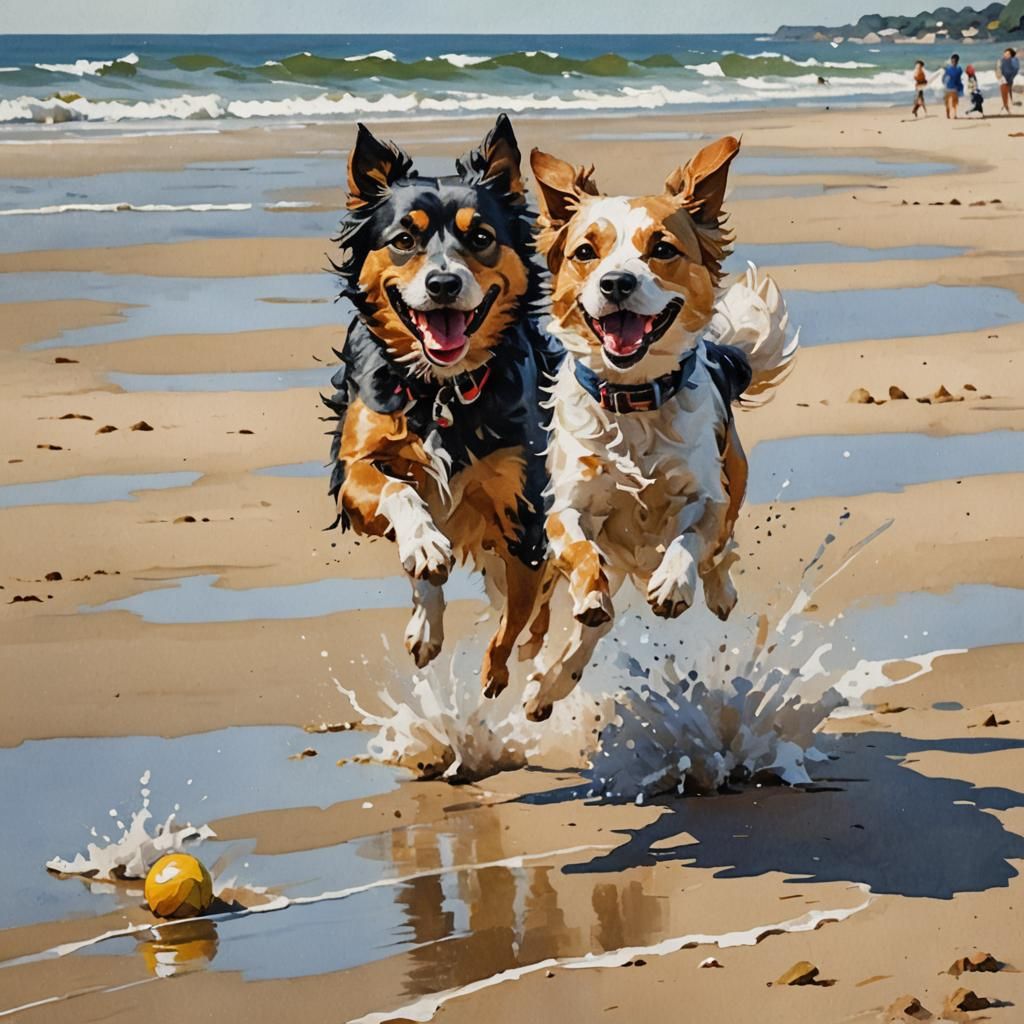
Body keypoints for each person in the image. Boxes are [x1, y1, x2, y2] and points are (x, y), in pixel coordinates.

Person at [998, 48, 1019, 114]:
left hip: (1009, 79)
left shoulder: (1013, 61)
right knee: (1004, 94)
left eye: (1007, 54)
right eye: (1005, 53)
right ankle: (1006, 107)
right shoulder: (1002, 60)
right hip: (1003, 79)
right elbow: (999, 69)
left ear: (1010, 55)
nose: (1005, 55)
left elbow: (1015, 70)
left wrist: (1011, 78)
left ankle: (1007, 107)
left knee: (1007, 93)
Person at [943, 53, 964, 119]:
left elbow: (944, 78)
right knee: (951, 103)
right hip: (951, 88)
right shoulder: (959, 69)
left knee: (952, 103)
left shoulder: (948, 69)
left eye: (953, 61)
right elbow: (958, 78)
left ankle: (952, 114)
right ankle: (951, 114)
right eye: (953, 61)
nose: (953, 62)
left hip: (951, 88)